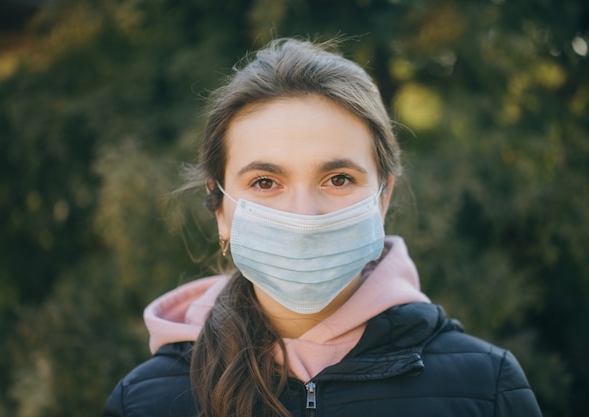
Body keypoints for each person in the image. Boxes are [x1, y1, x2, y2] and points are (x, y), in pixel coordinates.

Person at [102, 38, 542, 417]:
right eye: (265, 182)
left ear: (382, 198)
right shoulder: (146, 402)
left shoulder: (486, 387)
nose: (304, 217)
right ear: (220, 209)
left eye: (338, 179)